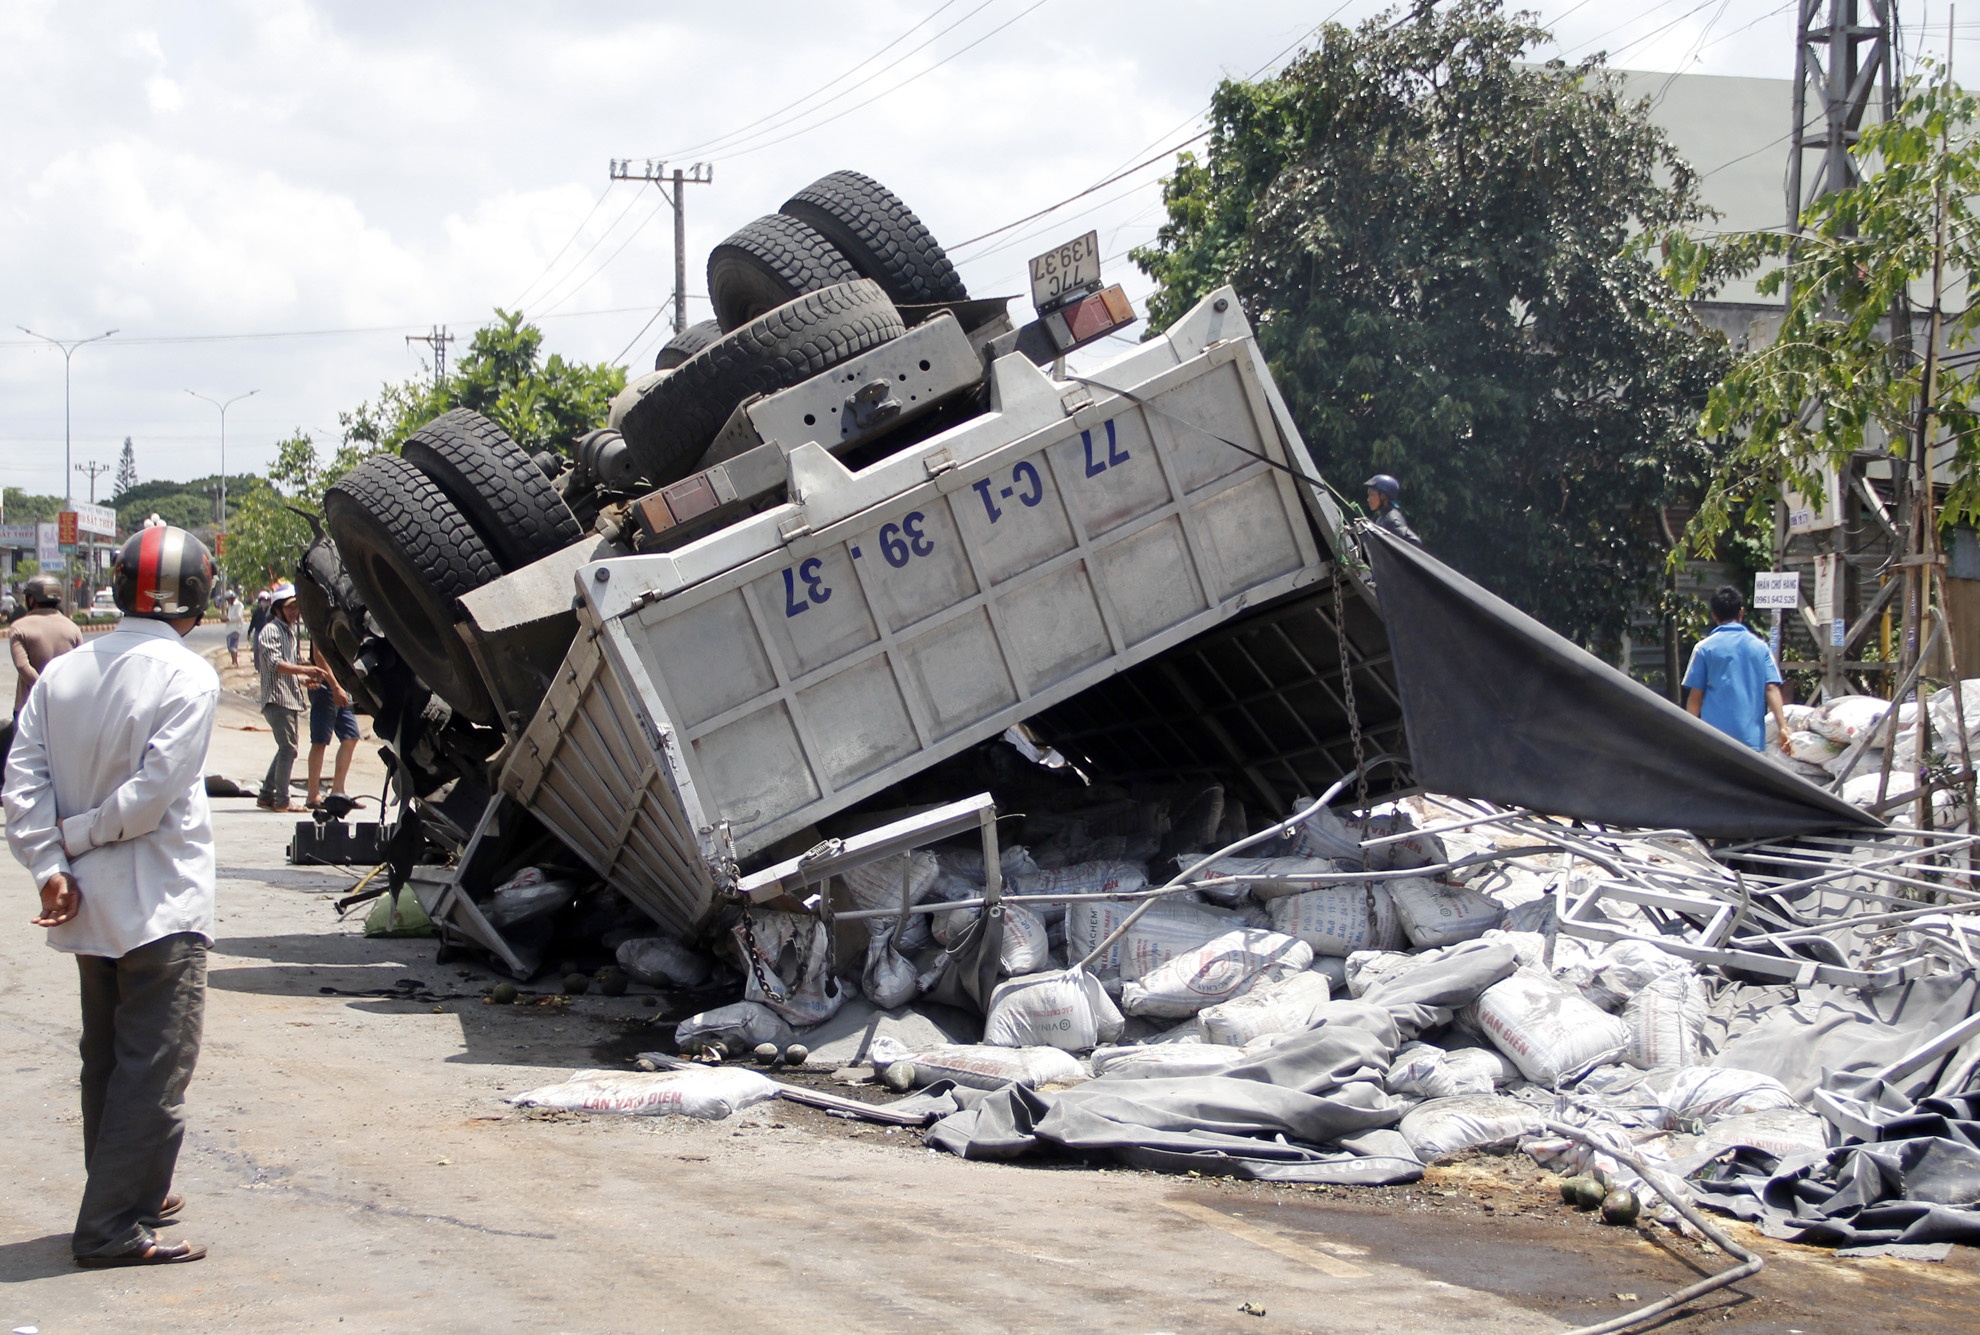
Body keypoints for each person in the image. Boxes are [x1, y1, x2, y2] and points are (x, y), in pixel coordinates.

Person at [3, 525, 219, 1266]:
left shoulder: (63, 674)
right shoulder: (188, 676)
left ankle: (134, 1189)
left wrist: (49, 861)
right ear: (199, 595)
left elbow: (21, 782)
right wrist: (83, 836)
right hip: (161, 899)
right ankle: (112, 1225)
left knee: (108, 1058)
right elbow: (153, 795)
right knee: (155, 1069)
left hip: (86, 902)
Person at [1684, 585, 1792, 755]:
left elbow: (1695, 698)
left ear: (1714, 615)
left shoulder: (1703, 649)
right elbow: (1771, 688)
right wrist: (1783, 727)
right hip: (1751, 742)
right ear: (1741, 612)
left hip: (1714, 740)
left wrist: (1688, 733)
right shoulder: (1760, 648)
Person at [254, 585, 325, 813]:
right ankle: (282, 800)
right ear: (277, 609)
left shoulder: (289, 633)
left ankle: (266, 794)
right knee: (288, 749)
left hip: (289, 697)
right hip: (277, 698)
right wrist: (305, 671)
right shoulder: (271, 632)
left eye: (297, 607)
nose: (295, 612)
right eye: (290, 607)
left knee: (287, 748)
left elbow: (288, 667)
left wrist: (304, 680)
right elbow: (275, 664)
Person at [304, 641, 359, 809]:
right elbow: (318, 655)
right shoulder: (320, 619)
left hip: (342, 685)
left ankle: (338, 790)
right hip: (326, 686)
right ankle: (313, 794)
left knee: (351, 736)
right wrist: (334, 685)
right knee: (320, 740)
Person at [1362, 473, 1422, 545]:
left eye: (1372, 495)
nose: (1368, 499)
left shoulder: (1391, 520)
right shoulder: (1382, 518)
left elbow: (1415, 541)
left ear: (1383, 496)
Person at [220, 591, 245, 667]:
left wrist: (228, 619)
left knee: (233, 646)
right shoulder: (230, 606)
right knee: (230, 646)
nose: (227, 601)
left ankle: (235, 662)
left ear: (233, 598)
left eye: (228, 599)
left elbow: (239, 617)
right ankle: (233, 661)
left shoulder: (239, 605)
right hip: (229, 628)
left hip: (235, 628)